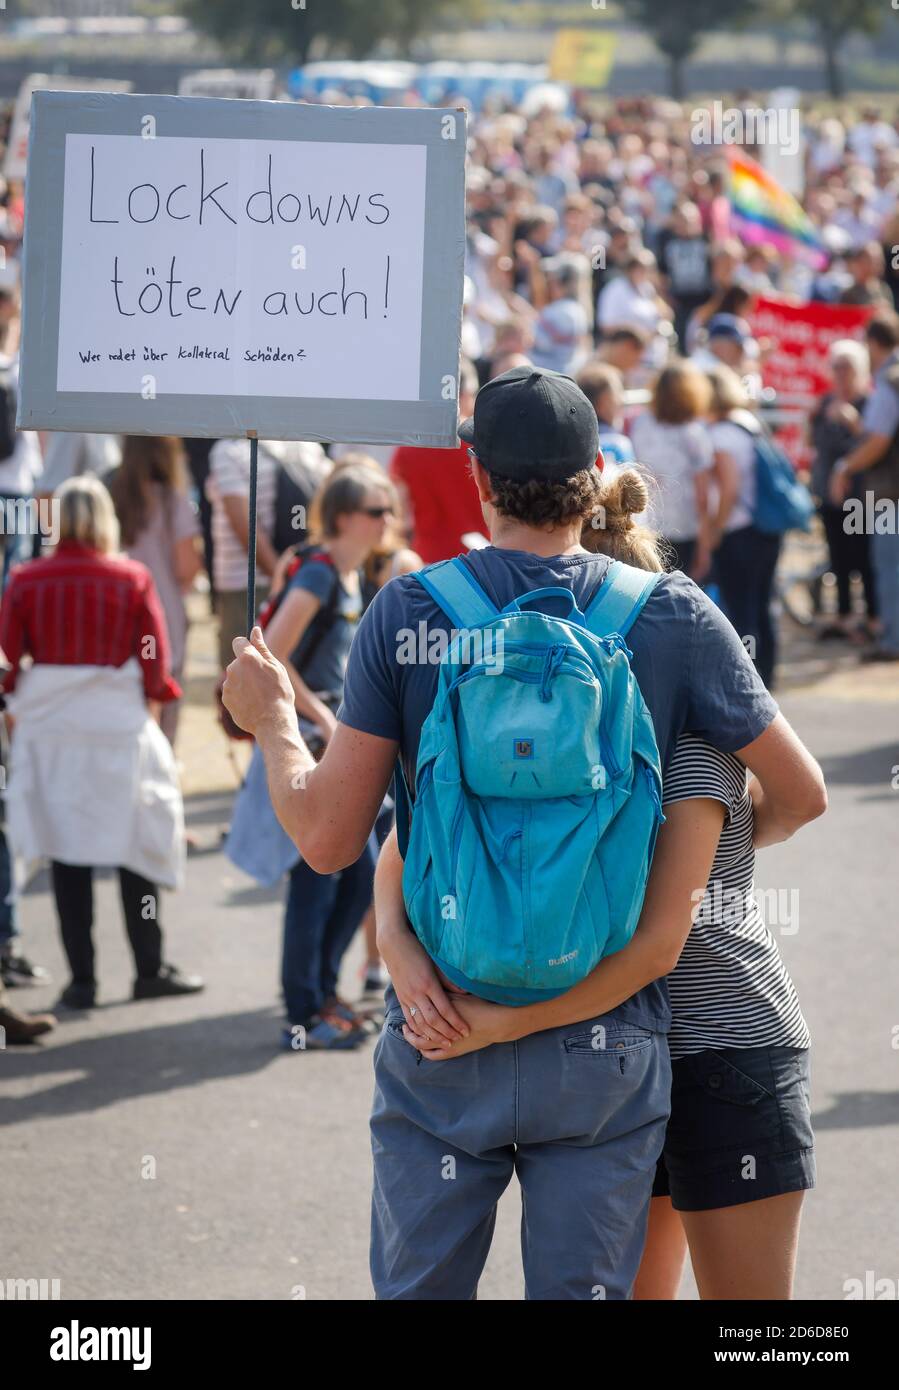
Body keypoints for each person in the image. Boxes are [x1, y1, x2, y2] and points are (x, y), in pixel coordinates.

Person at [221, 365, 826, 1300]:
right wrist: (698, 856)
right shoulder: (668, 612)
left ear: (479, 480)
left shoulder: (411, 610)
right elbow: (801, 790)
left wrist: (269, 722)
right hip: (607, 1027)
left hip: (443, 1017)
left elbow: (332, 841)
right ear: (595, 470)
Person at [379, 466, 817, 1300]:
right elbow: (411, 839)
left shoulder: (692, 757)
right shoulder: (564, 744)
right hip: (623, 1052)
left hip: (715, 1044)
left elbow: (658, 946)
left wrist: (493, 1022)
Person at [0, 477, 202, 1010]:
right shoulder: (131, 578)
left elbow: (8, 660)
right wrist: (155, 696)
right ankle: (148, 967)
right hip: (117, 727)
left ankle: (82, 980)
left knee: (69, 852)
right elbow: (156, 664)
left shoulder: (25, 579)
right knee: (136, 848)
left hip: (52, 732)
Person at [224, 463, 399, 1050]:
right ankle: (304, 1011)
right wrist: (325, 716)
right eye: (378, 511)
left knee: (359, 877)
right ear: (346, 517)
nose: (388, 522)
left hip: (335, 739)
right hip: (311, 739)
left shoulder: (349, 574)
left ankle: (323, 993)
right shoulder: (321, 572)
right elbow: (271, 651)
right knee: (318, 880)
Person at [109, 436, 203, 747]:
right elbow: (186, 566)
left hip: (115, 614)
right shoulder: (172, 501)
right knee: (164, 695)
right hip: (164, 613)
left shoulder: (109, 496)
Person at [704, 365, 783, 689]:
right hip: (766, 528)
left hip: (738, 532)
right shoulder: (749, 423)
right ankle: (768, 675)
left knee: (741, 610)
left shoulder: (720, 434)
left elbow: (729, 487)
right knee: (763, 605)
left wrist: (716, 530)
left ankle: (748, 684)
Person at [829, 311, 899, 662]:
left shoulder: (889, 381)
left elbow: (878, 441)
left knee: (888, 566)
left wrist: (845, 466)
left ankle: (892, 641)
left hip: (890, 495)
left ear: (873, 343)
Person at [809, 341, 878, 643]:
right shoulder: (825, 403)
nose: (840, 374)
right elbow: (814, 444)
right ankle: (844, 615)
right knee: (838, 560)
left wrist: (854, 424)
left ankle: (872, 617)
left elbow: (875, 445)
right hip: (830, 496)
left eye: (846, 367)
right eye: (836, 367)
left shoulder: (869, 403)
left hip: (862, 497)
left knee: (864, 559)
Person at [389, 360, 486, 563]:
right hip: (479, 557)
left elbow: (400, 514)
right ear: (466, 394)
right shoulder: (482, 445)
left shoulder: (408, 448)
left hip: (428, 560)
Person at [629, 359, 715, 577]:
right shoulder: (694, 433)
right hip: (685, 527)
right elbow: (703, 494)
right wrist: (705, 545)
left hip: (647, 524)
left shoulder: (641, 424)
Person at [576, 360, 636, 467]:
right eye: (617, 393)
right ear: (602, 402)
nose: (621, 401)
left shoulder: (576, 445)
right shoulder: (618, 445)